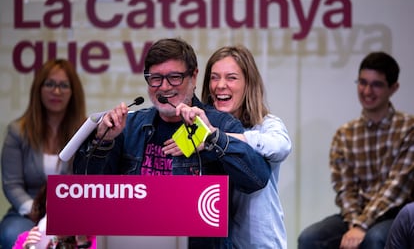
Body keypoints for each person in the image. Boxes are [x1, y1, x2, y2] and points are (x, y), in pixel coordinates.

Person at [72, 38, 271, 248]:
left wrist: (212, 138)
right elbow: (86, 189)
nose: (164, 87)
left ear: (194, 77)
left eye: (174, 77)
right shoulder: (129, 126)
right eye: (155, 78)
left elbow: (256, 179)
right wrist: (104, 141)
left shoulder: (220, 123)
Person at [297, 51, 414, 249]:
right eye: (362, 82)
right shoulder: (345, 134)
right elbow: (344, 189)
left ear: (393, 88)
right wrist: (354, 223)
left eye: (376, 84)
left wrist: (361, 226)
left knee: (374, 238)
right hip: (355, 215)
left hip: (396, 214)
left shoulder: (408, 128)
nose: (367, 91)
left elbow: (396, 188)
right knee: (309, 238)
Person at [200, 45, 292, 248]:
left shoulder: (266, 124)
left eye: (231, 77)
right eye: (214, 77)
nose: (220, 85)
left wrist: (222, 138)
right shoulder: (201, 126)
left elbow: (281, 146)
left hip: (259, 243)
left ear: (248, 84)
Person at [0, 59, 86, 249]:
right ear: (38, 88)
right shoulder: (17, 131)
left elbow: (86, 181)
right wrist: (37, 211)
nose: (56, 91)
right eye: (50, 84)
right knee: (12, 234)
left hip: (71, 215)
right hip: (25, 213)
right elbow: (11, 184)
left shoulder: (84, 132)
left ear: (73, 92)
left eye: (64, 85)